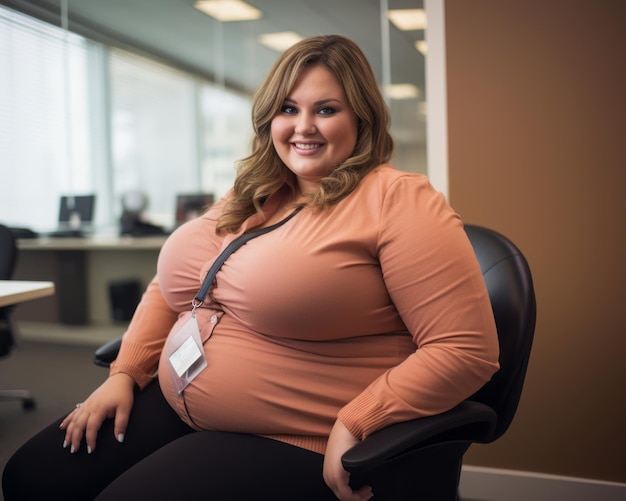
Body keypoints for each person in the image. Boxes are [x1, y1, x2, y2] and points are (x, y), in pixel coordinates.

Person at [2, 35, 499, 501]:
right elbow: (172, 287)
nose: (303, 126)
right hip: (180, 403)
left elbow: (465, 351)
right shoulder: (254, 193)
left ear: (361, 119)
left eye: (325, 110)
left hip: (301, 433)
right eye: (289, 109)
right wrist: (126, 372)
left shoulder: (399, 200)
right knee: (32, 478)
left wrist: (359, 420)